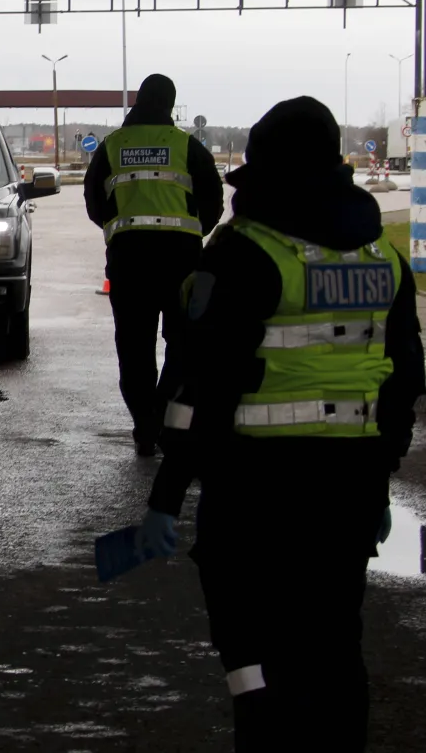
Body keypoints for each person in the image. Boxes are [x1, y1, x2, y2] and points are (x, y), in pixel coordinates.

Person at [130, 96, 420, 752]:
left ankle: (260, 725)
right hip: (349, 488)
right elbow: (405, 380)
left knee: (246, 638)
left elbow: (197, 389)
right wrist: (380, 473)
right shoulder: (384, 261)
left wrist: (165, 499)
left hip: (255, 493)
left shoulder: (243, 253)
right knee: (336, 640)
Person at [85, 73, 224, 455]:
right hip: (181, 261)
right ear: (169, 104)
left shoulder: (113, 146)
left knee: (134, 347)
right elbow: (213, 201)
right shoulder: (187, 146)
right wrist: (194, 232)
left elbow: (94, 202)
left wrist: (119, 230)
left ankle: (144, 424)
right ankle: (164, 414)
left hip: (129, 261)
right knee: (182, 345)